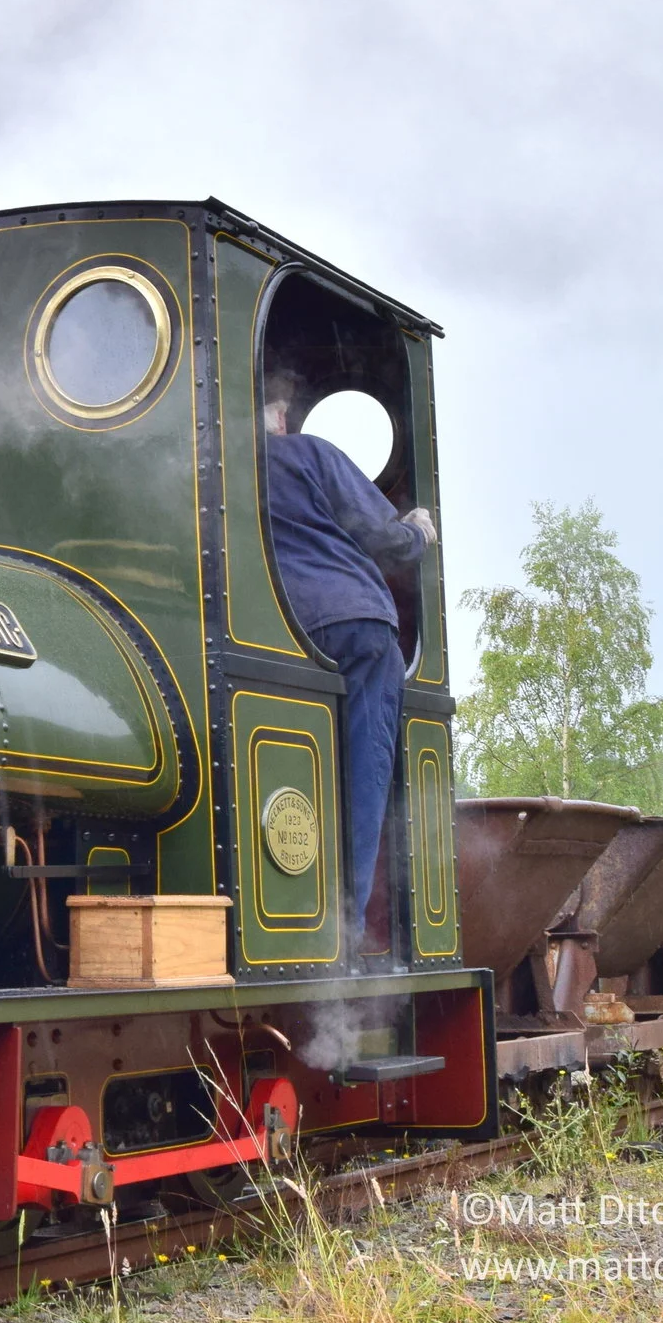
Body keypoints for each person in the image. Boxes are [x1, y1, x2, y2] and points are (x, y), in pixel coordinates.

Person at [260, 378, 437, 933]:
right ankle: (347, 931)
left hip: (276, 634)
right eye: (282, 410)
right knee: (363, 774)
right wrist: (419, 535)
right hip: (353, 623)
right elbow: (383, 537)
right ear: (277, 416)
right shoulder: (307, 453)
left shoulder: (213, 477)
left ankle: (294, 915)